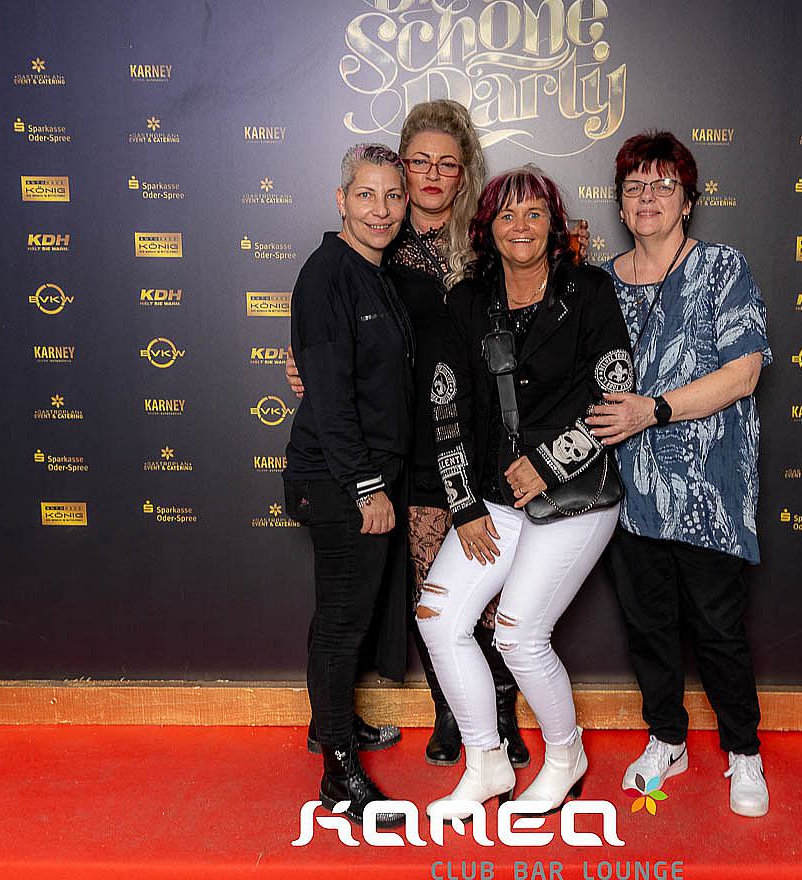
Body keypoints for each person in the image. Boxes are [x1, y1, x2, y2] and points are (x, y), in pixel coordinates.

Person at [289, 100, 531, 770]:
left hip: (485, 437)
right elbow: (337, 340)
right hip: (411, 446)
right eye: (418, 162)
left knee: (493, 587)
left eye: (446, 164)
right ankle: (450, 713)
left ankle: (500, 711)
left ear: (464, 173)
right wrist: (308, 362)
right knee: (431, 591)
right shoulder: (375, 249)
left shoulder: (488, 241)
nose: (430, 175)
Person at [416, 166, 633, 817]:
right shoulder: (466, 302)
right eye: (507, 215)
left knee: (516, 633)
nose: (521, 227)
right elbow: (446, 409)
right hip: (492, 499)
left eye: (534, 214)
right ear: (488, 228)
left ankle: (566, 757)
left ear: (553, 225)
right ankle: (486, 762)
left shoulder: (589, 291)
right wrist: (463, 506)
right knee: (439, 618)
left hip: (575, 497)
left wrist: (547, 463)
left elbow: (614, 393)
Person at [587, 130, 773, 817]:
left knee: (718, 630)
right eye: (635, 186)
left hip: (709, 493)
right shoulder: (599, 283)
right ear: (619, 202)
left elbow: (744, 372)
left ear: (688, 200)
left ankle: (744, 751)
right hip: (627, 495)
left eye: (663, 185)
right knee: (649, 628)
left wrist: (655, 410)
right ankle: (667, 738)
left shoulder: (722, 269)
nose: (648, 198)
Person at [282, 143, 414, 828]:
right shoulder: (326, 274)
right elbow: (331, 398)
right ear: (341, 200)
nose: (380, 210)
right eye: (366, 195)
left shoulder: (372, 271)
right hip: (339, 481)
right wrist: (368, 487)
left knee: (339, 616)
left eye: (393, 196)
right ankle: (338, 773)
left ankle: (328, 725)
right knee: (341, 625)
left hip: (356, 474)